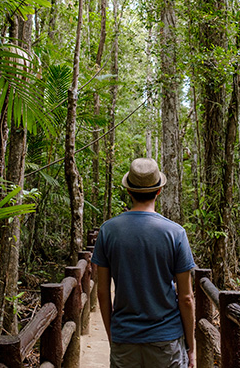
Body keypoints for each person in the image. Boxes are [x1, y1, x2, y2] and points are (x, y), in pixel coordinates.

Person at [91, 157, 196, 368]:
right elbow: (186, 298)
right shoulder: (175, 233)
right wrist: (191, 346)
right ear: (158, 191)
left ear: (129, 191)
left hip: (124, 338)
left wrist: (114, 337)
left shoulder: (108, 231)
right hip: (166, 340)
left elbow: (102, 292)